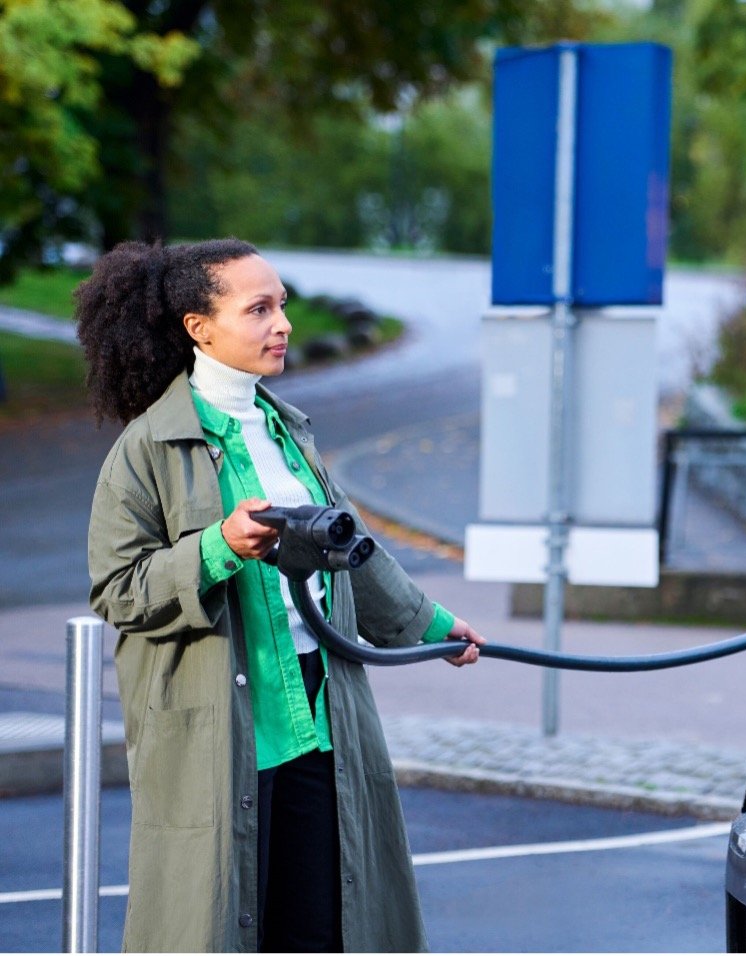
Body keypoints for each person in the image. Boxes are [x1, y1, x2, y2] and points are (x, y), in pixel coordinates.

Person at [78, 238, 484, 953]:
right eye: (258, 308)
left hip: (320, 719)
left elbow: (353, 550)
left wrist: (438, 627)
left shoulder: (286, 431)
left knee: (324, 926)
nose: (283, 324)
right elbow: (118, 590)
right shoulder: (145, 451)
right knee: (219, 925)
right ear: (198, 328)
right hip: (219, 724)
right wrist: (215, 549)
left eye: (283, 306)